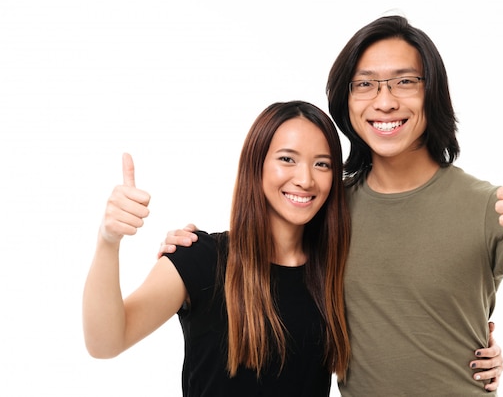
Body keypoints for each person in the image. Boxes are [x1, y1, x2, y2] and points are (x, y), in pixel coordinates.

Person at [161, 15, 503, 395]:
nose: (386, 100)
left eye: (405, 82)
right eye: (366, 85)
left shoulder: (488, 207)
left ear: (433, 92)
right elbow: (266, 259)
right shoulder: (327, 207)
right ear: (345, 101)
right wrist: (191, 254)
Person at [82, 101, 353, 396]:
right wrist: (108, 240)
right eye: (287, 159)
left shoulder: (335, 271)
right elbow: (105, 343)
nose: (305, 179)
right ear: (256, 164)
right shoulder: (201, 258)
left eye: (322, 164)